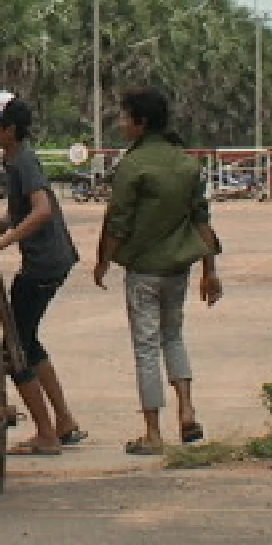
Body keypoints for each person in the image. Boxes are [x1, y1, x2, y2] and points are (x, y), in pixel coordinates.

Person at [93, 87, 223, 455]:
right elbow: (203, 222)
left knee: (147, 347)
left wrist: (103, 261)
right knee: (174, 337)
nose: (120, 123)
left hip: (143, 271)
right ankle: (187, 410)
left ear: (141, 122)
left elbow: (117, 222)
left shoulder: (133, 166)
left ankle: (152, 431)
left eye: (123, 117)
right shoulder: (186, 163)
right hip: (178, 269)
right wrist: (209, 271)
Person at [0, 91, 84, 456]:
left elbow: (41, 210)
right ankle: (64, 420)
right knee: (29, 339)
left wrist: (5, 240)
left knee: (16, 348)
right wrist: (2, 224)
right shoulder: (16, 162)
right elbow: (26, 209)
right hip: (51, 259)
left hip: (44, 262)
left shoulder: (23, 162)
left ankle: (45, 433)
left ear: (10, 130)